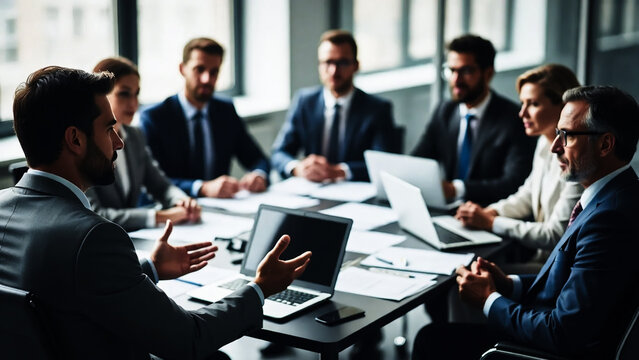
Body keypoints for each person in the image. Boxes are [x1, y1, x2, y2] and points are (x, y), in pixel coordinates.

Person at [0, 66, 312, 359]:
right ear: (75, 139)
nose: (118, 142)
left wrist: (149, 267)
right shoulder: (94, 237)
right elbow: (189, 338)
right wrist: (260, 288)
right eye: (109, 129)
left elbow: (70, 289)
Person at [412, 85, 639, 359]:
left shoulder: (609, 219)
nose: (555, 147)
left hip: (543, 350)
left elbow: (561, 332)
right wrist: (509, 284)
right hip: (546, 329)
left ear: (605, 144)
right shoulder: (615, 196)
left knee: (431, 340)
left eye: (566, 136)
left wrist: (489, 300)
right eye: (557, 134)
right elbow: (572, 282)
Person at [455, 64, 583, 265]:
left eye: (533, 104)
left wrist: (491, 222)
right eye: (522, 103)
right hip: (541, 260)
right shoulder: (543, 141)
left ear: (562, 105)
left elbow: (555, 235)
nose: (522, 113)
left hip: (559, 268)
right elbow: (527, 194)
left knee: (470, 273)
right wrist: (490, 212)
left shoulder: (578, 159)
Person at [412, 34, 536, 206]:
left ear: (488, 74)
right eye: (452, 70)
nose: (456, 79)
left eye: (466, 71)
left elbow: (514, 183)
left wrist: (456, 189)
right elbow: (417, 160)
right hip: (447, 211)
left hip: (489, 213)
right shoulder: (444, 111)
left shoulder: (515, 119)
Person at [140, 37, 270, 198]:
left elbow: (257, 158)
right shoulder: (155, 117)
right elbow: (151, 181)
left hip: (222, 209)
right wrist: (202, 188)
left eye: (214, 72)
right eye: (199, 69)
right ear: (182, 69)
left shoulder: (225, 111)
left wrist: (259, 175)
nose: (206, 79)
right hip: (176, 210)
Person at [85, 57, 200, 231]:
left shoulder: (135, 135)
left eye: (136, 93)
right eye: (124, 93)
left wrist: (182, 202)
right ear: (101, 95)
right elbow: (95, 214)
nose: (133, 103)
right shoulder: (86, 144)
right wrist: (160, 217)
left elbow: (161, 185)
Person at [271, 29, 396, 182]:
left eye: (342, 62)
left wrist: (338, 171)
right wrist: (298, 168)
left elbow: (383, 164)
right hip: (312, 191)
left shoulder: (377, 109)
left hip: (356, 193)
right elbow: (279, 153)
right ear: (319, 65)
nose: (334, 71)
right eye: (328, 62)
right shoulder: (304, 102)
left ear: (356, 66)